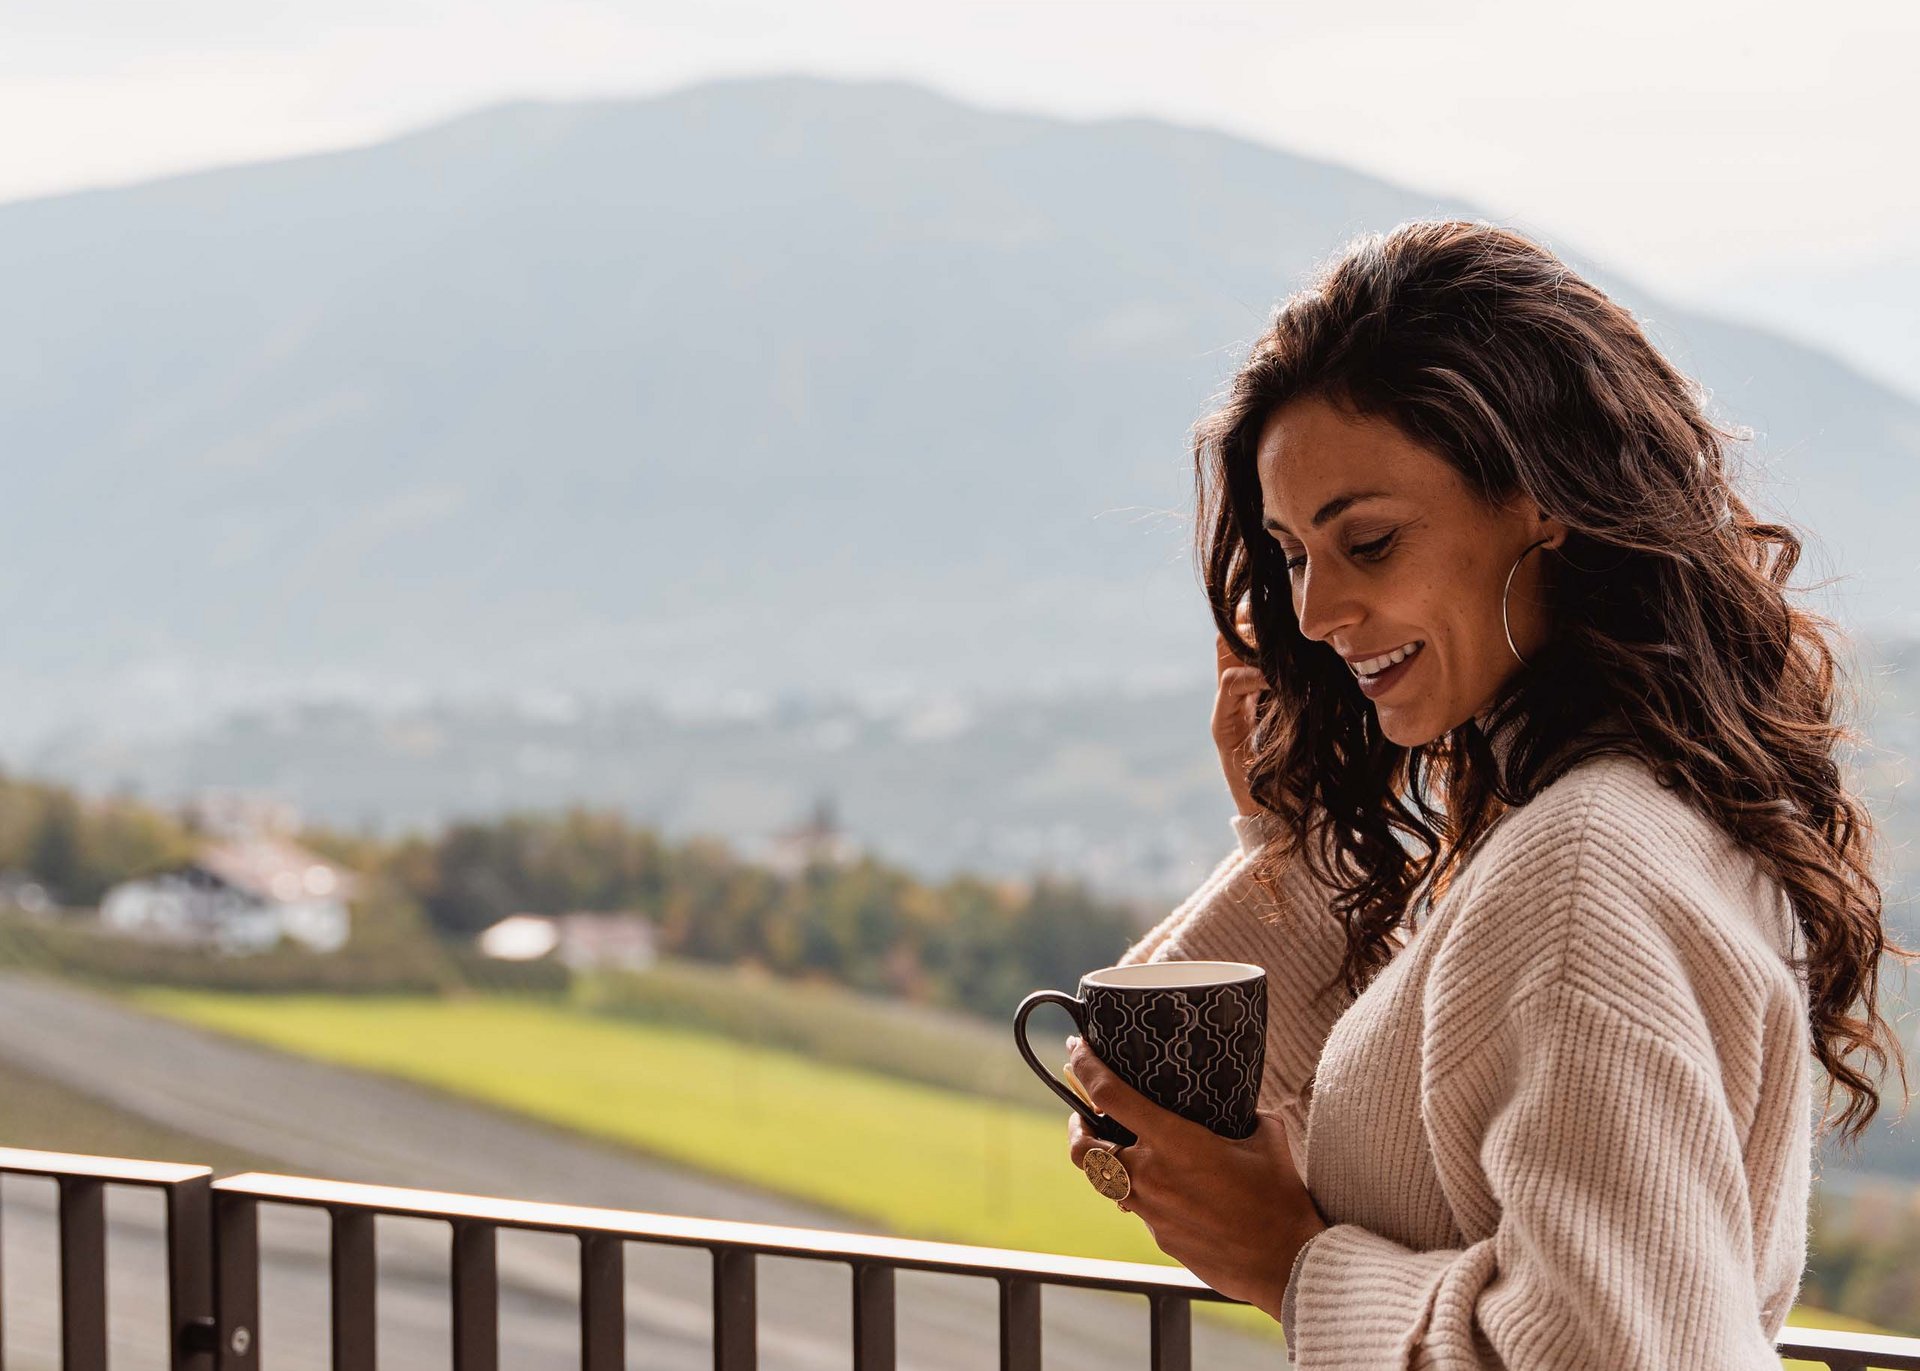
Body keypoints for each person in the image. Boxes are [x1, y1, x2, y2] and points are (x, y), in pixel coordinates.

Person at [1063, 219, 1910, 1368]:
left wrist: (1293, 1264)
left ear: (1542, 501)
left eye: (1367, 541)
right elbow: (1159, 1104)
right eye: (1294, 555)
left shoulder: (1581, 865)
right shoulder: (1587, 819)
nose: (1313, 615)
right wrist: (1303, 840)